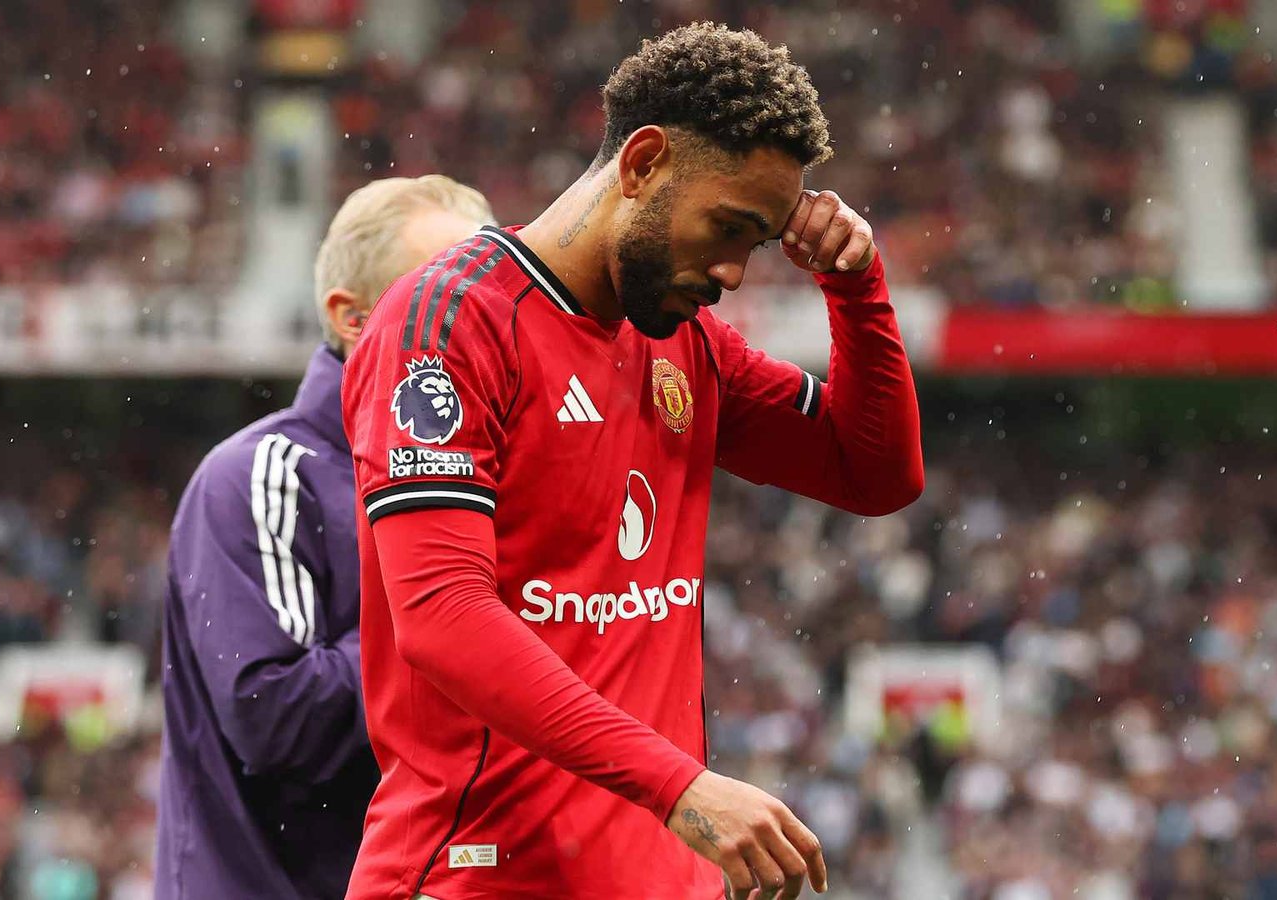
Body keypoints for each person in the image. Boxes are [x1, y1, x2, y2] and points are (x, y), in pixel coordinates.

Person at [342, 23, 925, 900]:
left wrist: (856, 287)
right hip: (484, 879)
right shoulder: (449, 322)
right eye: (727, 227)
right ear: (643, 162)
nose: (733, 272)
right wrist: (680, 786)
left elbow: (874, 475)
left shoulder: (689, 345)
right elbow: (442, 614)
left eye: (757, 244)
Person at [155, 176, 494, 899]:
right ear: (352, 318)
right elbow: (275, 720)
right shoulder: (260, 475)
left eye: (489, 298)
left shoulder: (492, 477)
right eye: (442, 299)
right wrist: (449, 610)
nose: (481, 325)